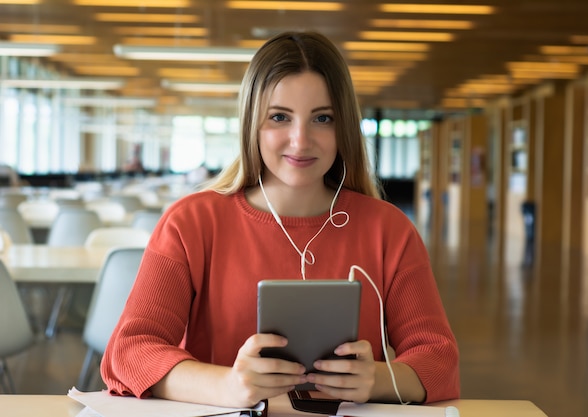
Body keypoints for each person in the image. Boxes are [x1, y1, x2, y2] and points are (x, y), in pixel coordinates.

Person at [101, 30, 459, 408]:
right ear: (251, 124)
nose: (300, 140)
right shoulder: (190, 223)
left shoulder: (389, 230)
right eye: (279, 117)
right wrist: (227, 386)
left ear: (345, 128)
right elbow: (128, 355)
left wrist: (377, 379)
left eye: (323, 118)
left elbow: (440, 361)